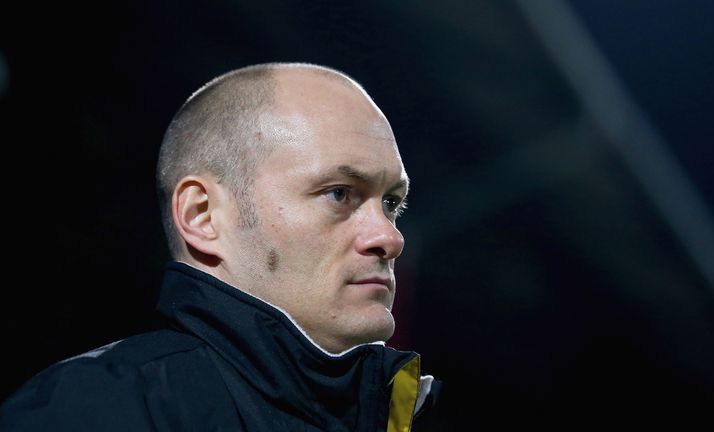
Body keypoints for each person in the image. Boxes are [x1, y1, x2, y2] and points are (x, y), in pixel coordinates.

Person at [0, 63, 437, 431]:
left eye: (391, 203)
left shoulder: (398, 414)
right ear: (202, 216)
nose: (390, 237)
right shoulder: (92, 411)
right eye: (339, 193)